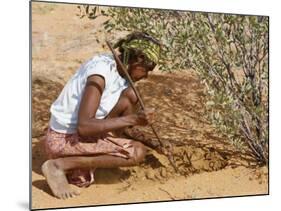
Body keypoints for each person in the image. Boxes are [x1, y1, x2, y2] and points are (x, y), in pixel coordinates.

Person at [41, 31, 163, 199]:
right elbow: (84, 127)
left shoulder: (122, 74)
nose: (146, 76)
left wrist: (155, 144)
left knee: (131, 96)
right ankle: (60, 165)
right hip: (63, 139)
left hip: (84, 132)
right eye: (147, 70)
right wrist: (134, 119)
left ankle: (86, 159)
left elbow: (125, 127)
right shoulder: (100, 73)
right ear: (137, 61)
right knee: (137, 151)